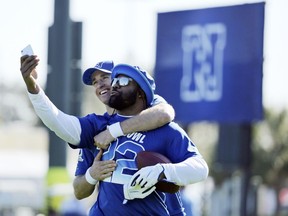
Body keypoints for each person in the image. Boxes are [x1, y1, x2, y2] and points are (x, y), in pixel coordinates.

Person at [20, 55, 209, 215]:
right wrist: (33, 88)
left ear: (142, 91)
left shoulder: (165, 128)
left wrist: (163, 170)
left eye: (120, 80)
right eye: (96, 81)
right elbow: (57, 121)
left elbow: (200, 168)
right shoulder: (95, 126)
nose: (111, 86)